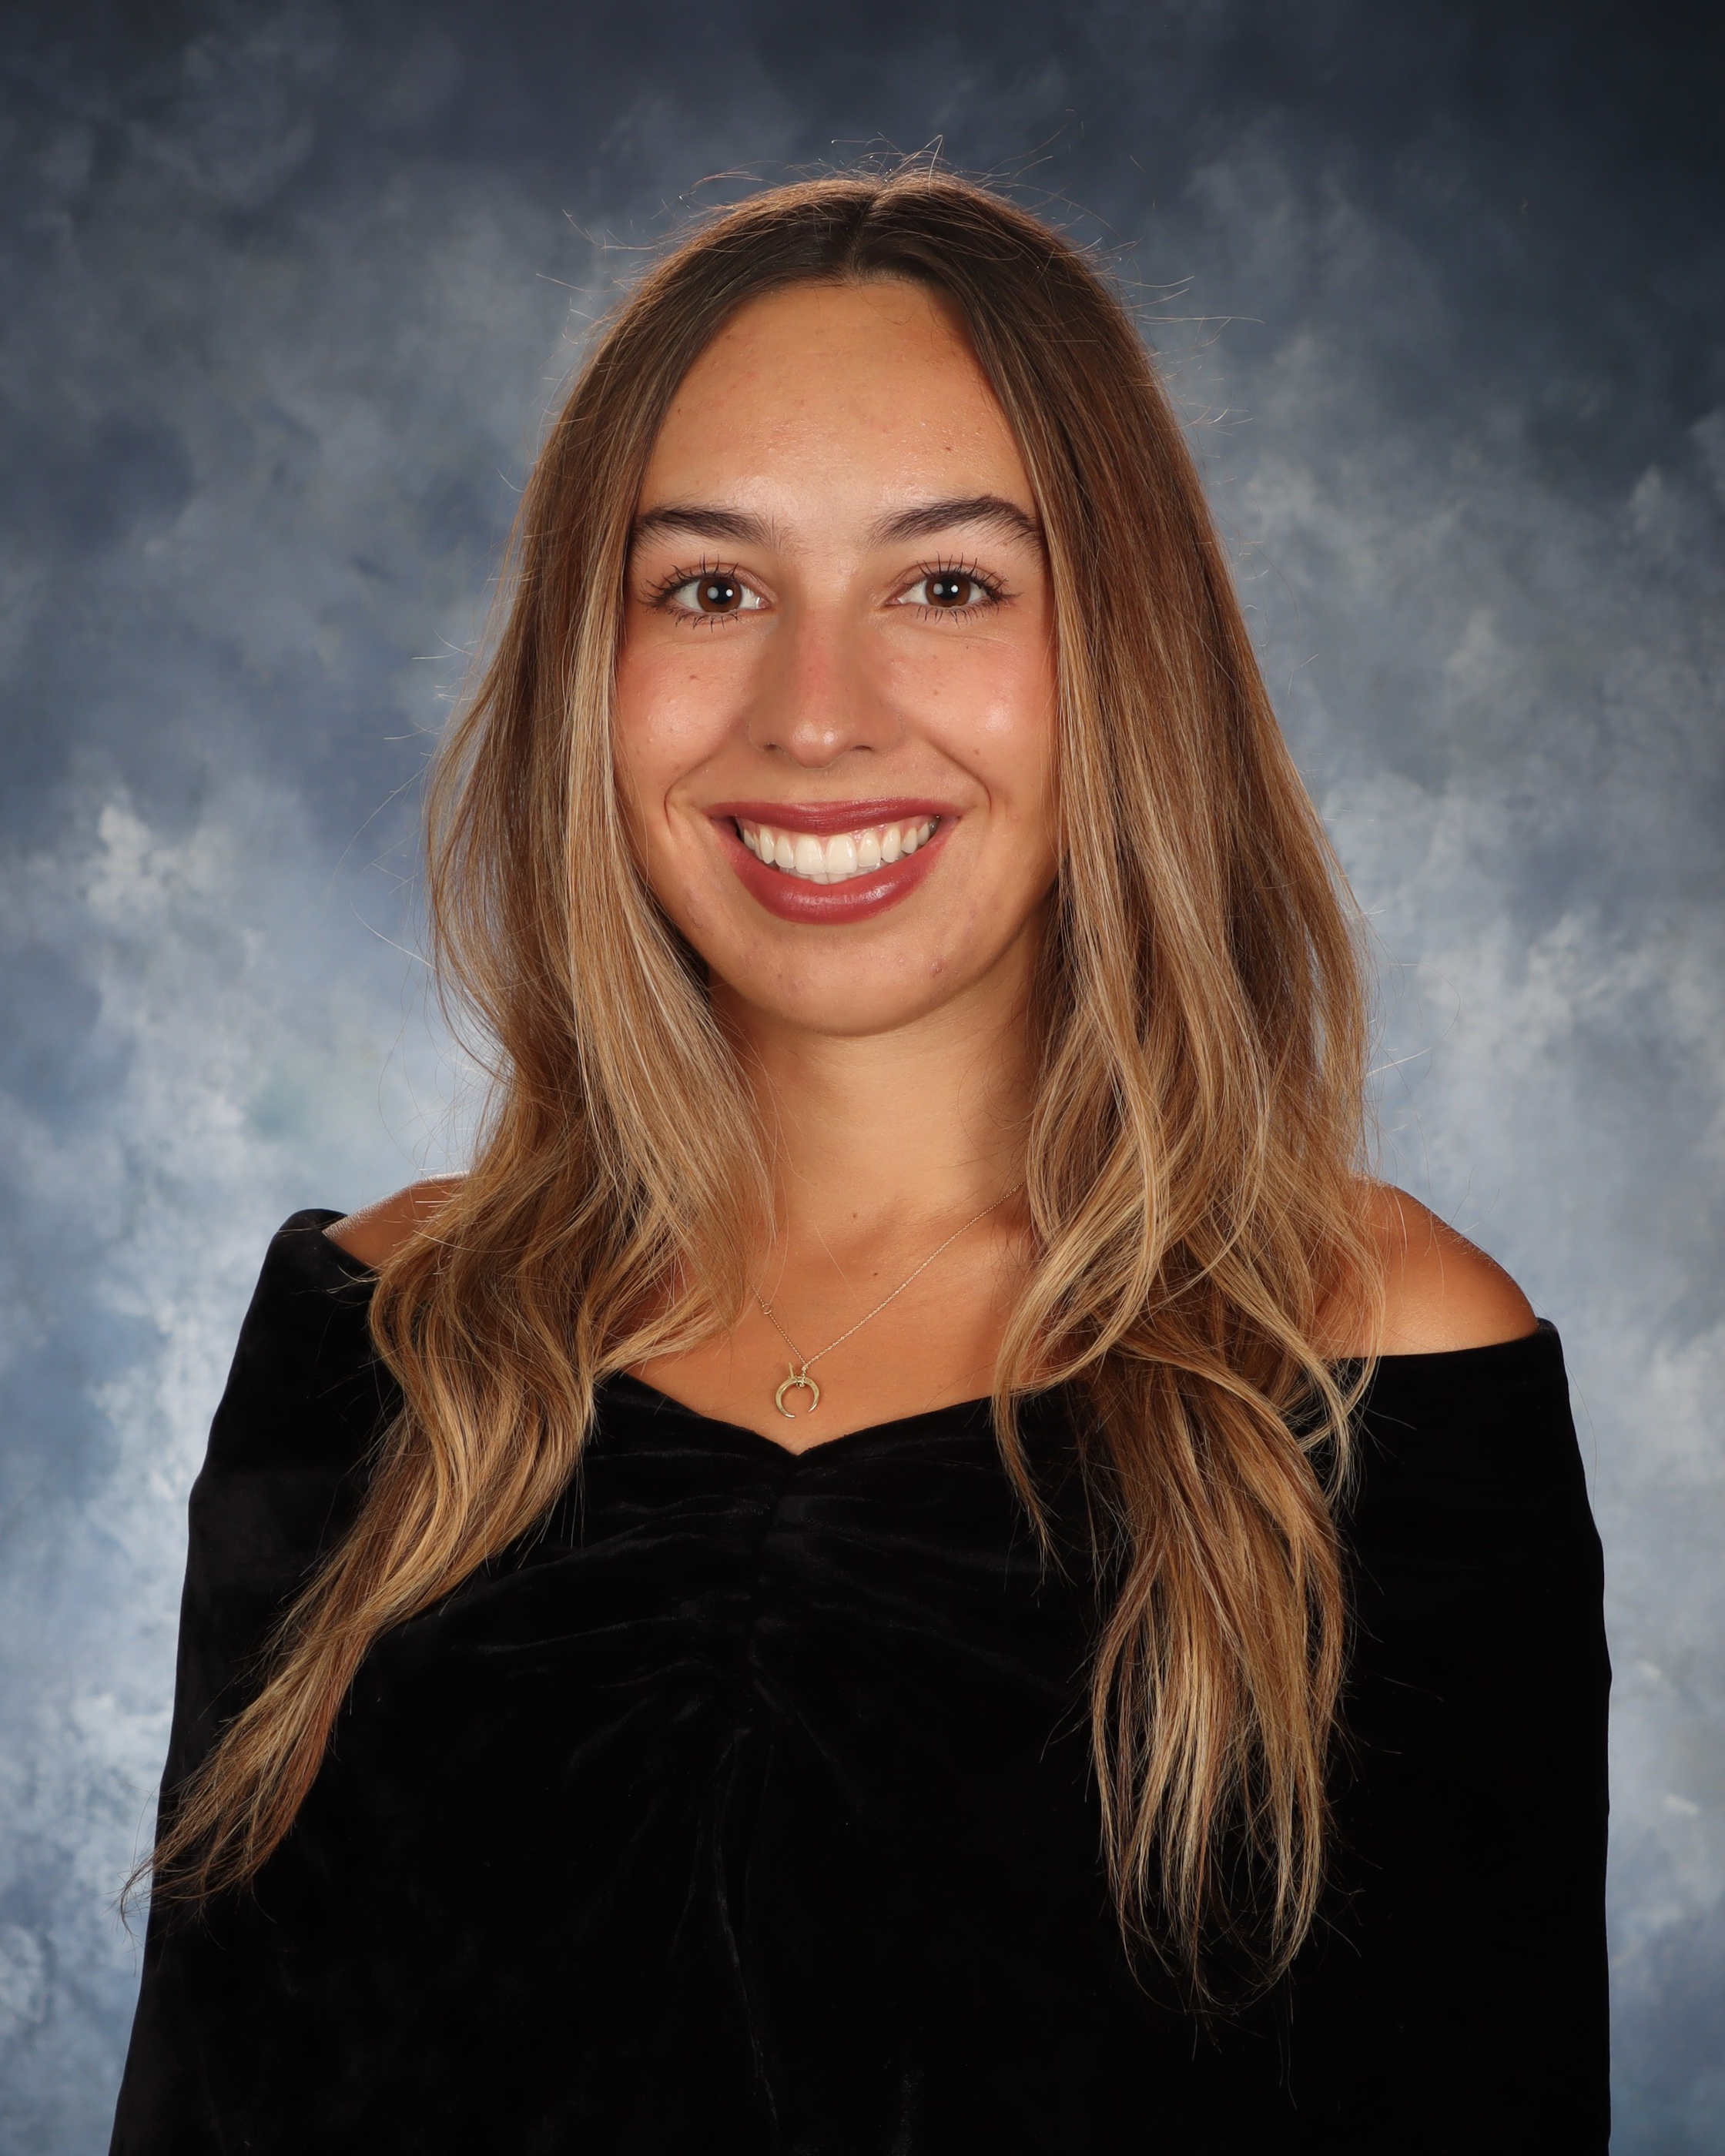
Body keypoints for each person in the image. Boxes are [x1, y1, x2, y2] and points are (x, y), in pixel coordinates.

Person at [109, 171, 1609, 2154]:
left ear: (1125, 654)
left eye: (949, 585)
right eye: (709, 590)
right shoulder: (380, 1333)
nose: (814, 715)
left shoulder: (1372, 1364)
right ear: (588, 668)